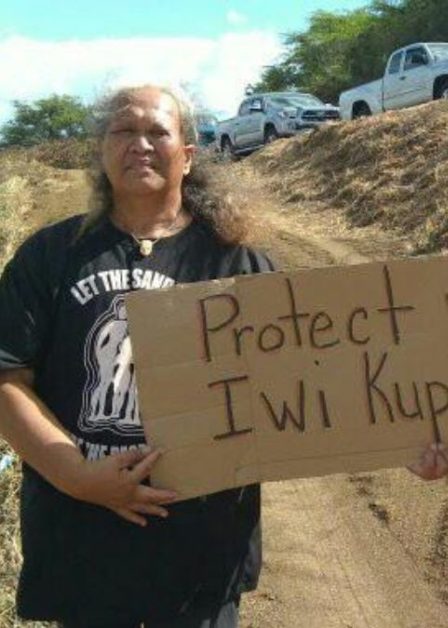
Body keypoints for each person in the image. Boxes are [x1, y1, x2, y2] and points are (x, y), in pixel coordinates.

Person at [0, 84, 273, 627]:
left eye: (158, 132)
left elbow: (314, 390)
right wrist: (78, 476)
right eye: (124, 131)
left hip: (201, 553)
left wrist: (403, 435)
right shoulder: (49, 256)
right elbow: (7, 377)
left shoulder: (239, 264)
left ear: (188, 155)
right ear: (101, 150)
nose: (140, 144)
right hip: (84, 545)